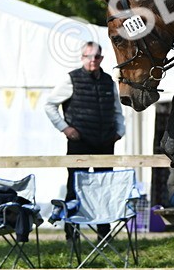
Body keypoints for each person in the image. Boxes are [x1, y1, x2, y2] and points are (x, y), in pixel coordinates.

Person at [44, 42, 125, 237]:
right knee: (75, 187)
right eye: (88, 56)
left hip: (105, 142)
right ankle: (71, 234)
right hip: (79, 142)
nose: (92, 60)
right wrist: (65, 128)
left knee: (103, 187)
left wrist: (119, 132)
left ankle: (103, 234)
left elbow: (117, 110)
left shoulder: (108, 81)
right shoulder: (71, 79)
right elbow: (49, 105)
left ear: (101, 59)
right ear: (82, 58)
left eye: (96, 57)